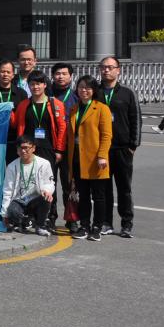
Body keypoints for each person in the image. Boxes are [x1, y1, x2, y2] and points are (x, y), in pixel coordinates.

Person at [11, 70, 67, 229]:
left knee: (49, 184)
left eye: (38, 84)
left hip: (49, 149)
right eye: (32, 84)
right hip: (29, 150)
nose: (35, 87)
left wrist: (59, 150)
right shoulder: (24, 105)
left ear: (44, 85)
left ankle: (50, 217)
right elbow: (16, 124)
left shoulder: (56, 104)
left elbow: (62, 128)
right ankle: (32, 217)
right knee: (28, 182)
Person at [98, 56, 141, 238]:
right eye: (103, 67)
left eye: (110, 67)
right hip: (102, 149)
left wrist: (133, 145)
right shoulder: (95, 92)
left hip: (122, 149)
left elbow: (135, 119)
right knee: (104, 188)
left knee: (124, 188)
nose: (106, 70)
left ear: (118, 70)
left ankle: (126, 224)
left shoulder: (127, 92)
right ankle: (106, 223)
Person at [67, 75, 113, 241]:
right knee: (83, 195)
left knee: (98, 196)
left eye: (87, 87)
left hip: (95, 159)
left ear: (94, 90)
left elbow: (107, 135)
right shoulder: (74, 108)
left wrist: (102, 155)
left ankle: (97, 227)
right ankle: (84, 225)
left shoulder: (101, 108)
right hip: (77, 158)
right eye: (81, 87)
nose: (84, 90)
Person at [0, 135, 56, 236]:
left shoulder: (44, 164)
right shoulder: (12, 166)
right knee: (12, 211)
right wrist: (4, 214)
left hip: (35, 199)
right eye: (20, 148)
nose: (23, 151)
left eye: (26, 148)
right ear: (17, 150)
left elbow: (50, 182)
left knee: (47, 198)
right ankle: (25, 222)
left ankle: (40, 225)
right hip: (19, 201)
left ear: (33, 148)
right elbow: (7, 190)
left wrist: (47, 190)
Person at [49, 62, 77, 231]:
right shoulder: (46, 94)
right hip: (49, 147)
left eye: (64, 74)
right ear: (52, 76)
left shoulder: (76, 96)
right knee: (48, 185)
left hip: (69, 149)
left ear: (71, 76)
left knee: (69, 185)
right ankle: (50, 218)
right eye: (57, 73)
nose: (60, 77)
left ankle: (71, 219)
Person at [0, 60, 27, 163]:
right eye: (2, 71)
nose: (5, 74)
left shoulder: (21, 93)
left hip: (15, 138)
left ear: (13, 74)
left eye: (8, 72)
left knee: (14, 167)